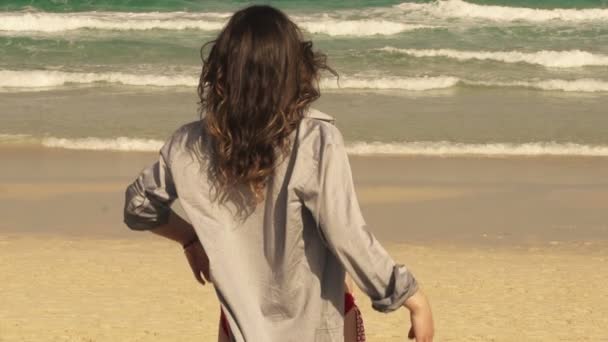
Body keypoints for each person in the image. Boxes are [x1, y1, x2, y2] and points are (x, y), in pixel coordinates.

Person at [123, 5, 433, 342]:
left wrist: (189, 238)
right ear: (293, 71)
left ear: (222, 73)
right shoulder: (315, 140)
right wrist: (409, 296)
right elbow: (346, 234)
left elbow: (139, 206)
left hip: (239, 329)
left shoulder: (188, 146)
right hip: (317, 329)